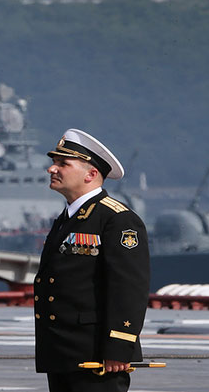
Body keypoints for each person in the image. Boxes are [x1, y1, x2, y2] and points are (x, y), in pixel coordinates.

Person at [35, 128, 149, 392]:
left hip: (97, 355)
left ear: (91, 174)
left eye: (63, 163)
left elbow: (129, 289)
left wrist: (119, 346)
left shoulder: (117, 219)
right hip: (63, 353)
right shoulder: (67, 219)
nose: (52, 169)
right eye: (54, 162)